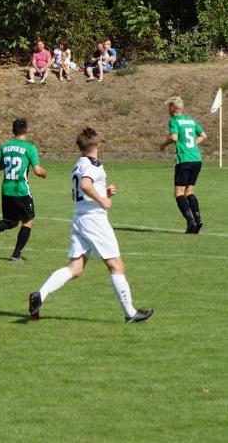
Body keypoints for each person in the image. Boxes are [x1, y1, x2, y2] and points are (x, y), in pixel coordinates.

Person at [28, 127, 154, 323]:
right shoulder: (94, 165)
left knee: (75, 268)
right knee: (116, 264)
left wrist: (103, 193)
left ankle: (40, 295)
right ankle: (130, 313)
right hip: (94, 220)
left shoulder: (77, 164)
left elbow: (76, 194)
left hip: (79, 218)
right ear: (98, 145)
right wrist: (102, 200)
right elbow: (85, 185)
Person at [0, 118, 47, 261]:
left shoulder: (5, 146)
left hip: (6, 190)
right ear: (26, 130)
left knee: (11, 222)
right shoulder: (30, 147)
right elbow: (38, 171)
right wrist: (44, 173)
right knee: (28, 221)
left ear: (13, 131)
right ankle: (16, 254)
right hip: (21, 190)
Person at [159, 97, 207, 233]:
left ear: (174, 108)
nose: (168, 110)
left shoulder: (174, 121)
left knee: (179, 193)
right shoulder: (191, 120)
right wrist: (191, 144)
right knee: (189, 192)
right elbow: (203, 135)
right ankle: (198, 220)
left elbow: (174, 137)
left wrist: (162, 145)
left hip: (185, 160)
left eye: (169, 107)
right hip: (197, 159)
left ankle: (190, 223)